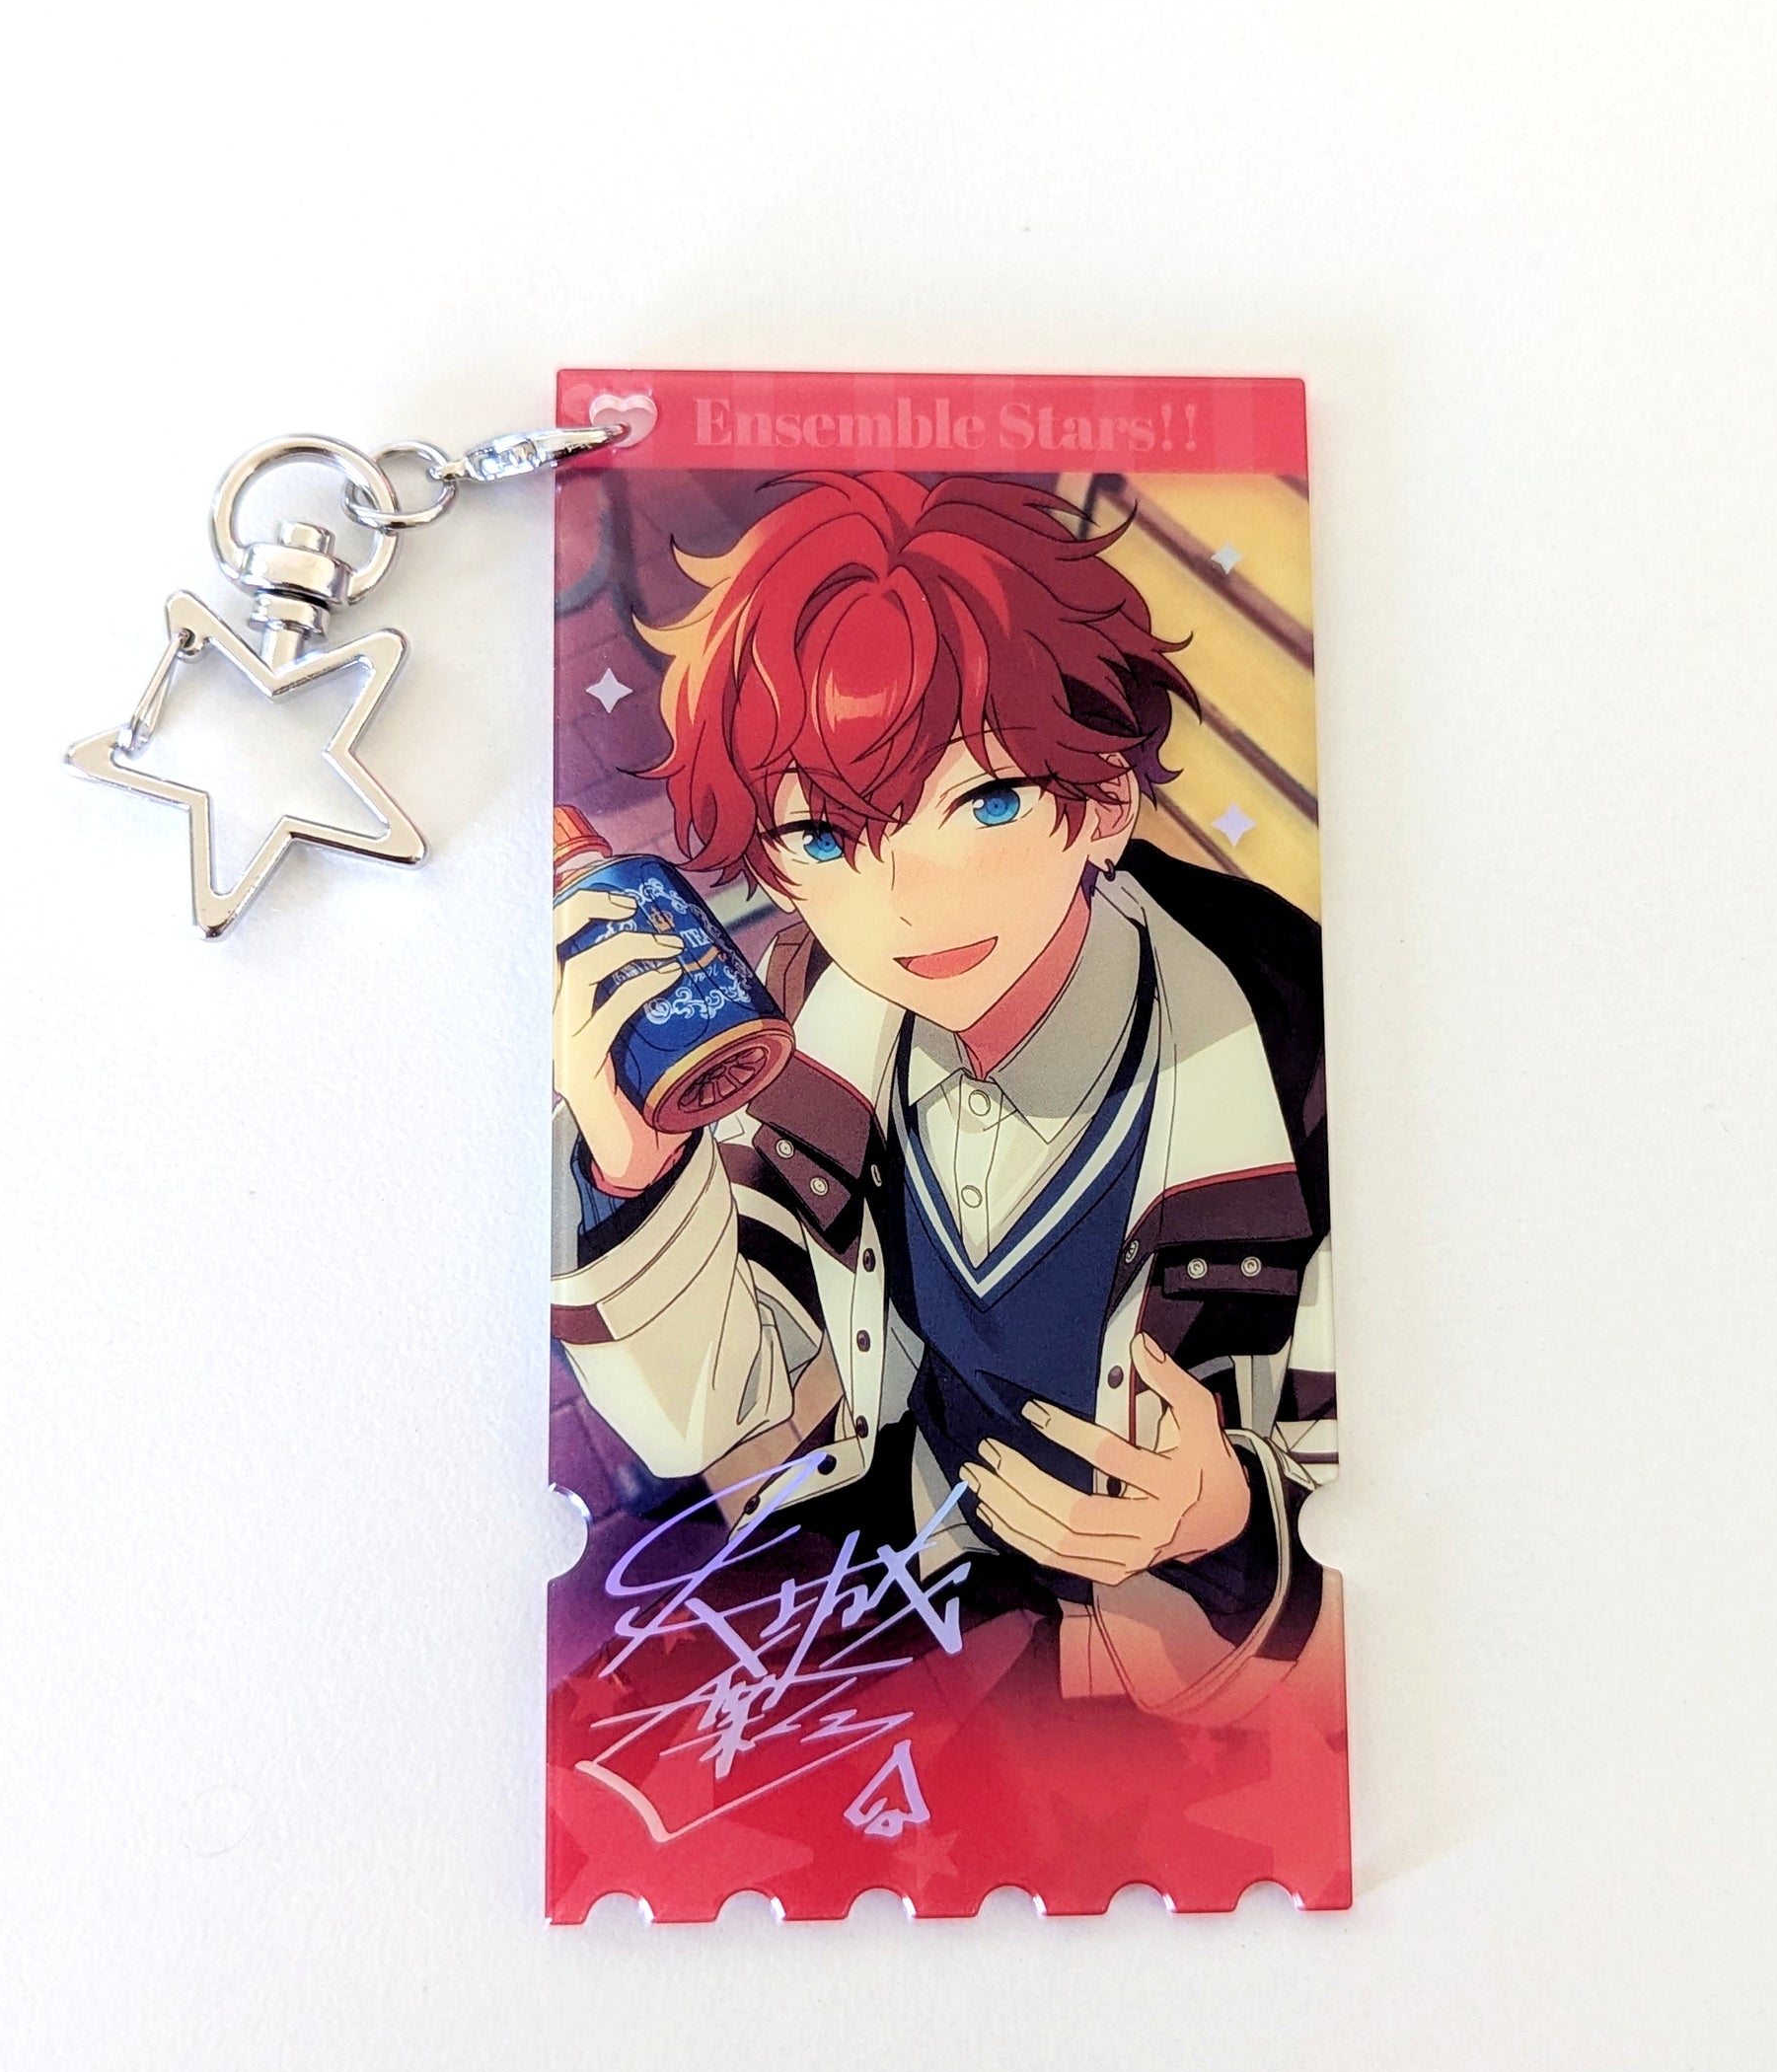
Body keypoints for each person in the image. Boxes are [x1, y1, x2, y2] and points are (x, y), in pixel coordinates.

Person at [550, 471, 1337, 1724]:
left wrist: (1226, 1519)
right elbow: (727, 1411)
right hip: (915, 1570)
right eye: (821, 836)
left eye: (985, 801)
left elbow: (1402, 1520)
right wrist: (639, 1184)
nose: (903, 899)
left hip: (1166, 1680)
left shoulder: (1300, 1077)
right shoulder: (813, 1011)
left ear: (1103, 805)